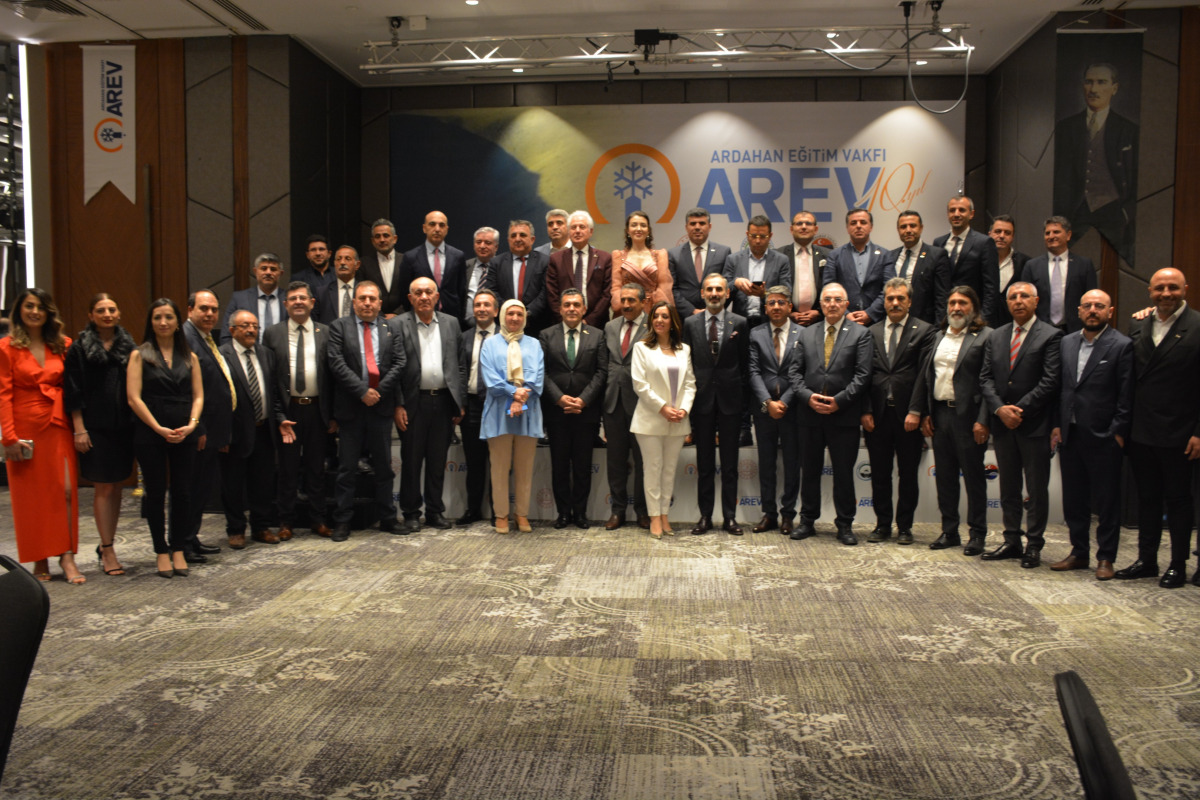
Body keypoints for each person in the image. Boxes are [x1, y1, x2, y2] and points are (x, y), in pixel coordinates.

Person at [1117, 268, 1200, 588]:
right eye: (1160, 288)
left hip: (1180, 431)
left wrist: (1198, 431)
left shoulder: (1197, 325)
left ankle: (1177, 564)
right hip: (1142, 430)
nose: (1166, 293)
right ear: (1150, 292)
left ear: (1185, 289)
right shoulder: (1138, 323)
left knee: (1178, 500)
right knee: (1147, 498)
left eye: (1173, 288)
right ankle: (1147, 560)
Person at [1048, 290, 1133, 581]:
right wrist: (1057, 424)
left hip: (1104, 436)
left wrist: (1117, 432)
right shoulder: (1067, 342)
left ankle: (1106, 557)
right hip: (1070, 434)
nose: (1093, 310)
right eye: (1088, 306)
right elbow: (1061, 388)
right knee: (1074, 499)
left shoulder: (1121, 345)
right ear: (1079, 311)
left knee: (1107, 501)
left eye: (1099, 306)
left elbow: (1126, 395)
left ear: (1110, 311)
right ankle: (1079, 552)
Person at [0, 288, 84, 583]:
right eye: (29, 306)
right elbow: (3, 394)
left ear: (49, 312)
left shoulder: (64, 344)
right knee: (32, 497)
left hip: (58, 423)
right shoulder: (6, 347)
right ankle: (40, 557)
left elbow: (74, 389)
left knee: (65, 491)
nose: (35, 312)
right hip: (25, 428)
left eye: (40, 307)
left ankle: (67, 556)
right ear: (19, 311)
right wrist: (9, 437)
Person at [979, 282, 1063, 569]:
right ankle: (1012, 540)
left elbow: (1050, 381)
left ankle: (1034, 544)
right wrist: (1000, 409)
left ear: (1036, 301)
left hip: (1034, 425)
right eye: (1012, 297)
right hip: (1003, 424)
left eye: (1024, 296)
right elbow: (985, 379)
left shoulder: (1051, 335)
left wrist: (1019, 410)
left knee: (1036, 489)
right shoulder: (996, 335)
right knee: (1009, 487)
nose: (1018, 301)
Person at [126, 298, 204, 579]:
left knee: (183, 492)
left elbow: (198, 396)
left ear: (177, 322)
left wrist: (192, 426)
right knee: (156, 492)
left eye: (169, 317)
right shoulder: (139, 355)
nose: (163, 322)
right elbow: (133, 398)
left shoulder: (190, 357)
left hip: (184, 432)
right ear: (151, 322)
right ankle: (161, 550)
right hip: (150, 432)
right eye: (157, 317)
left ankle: (178, 548)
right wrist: (157, 428)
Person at [789, 283, 873, 544]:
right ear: (821, 304)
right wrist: (807, 397)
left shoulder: (861, 334)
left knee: (844, 473)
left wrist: (840, 401)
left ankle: (845, 524)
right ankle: (807, 520)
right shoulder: (806, 333)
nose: (832, 304)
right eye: (827, 299)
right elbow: (794, 372)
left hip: (843, 415)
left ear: (847, 304)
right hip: (810, 414)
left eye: (838, 299)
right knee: (809, 471)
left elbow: (863, 375)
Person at [916, 286, 993, 556]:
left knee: (974, 478)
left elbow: (989, 382)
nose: (956, 308)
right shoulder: (938, 336)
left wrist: (983, 420)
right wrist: (926, 413)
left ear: (974, 308)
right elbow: (928, 378)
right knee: (945, 478)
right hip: (940, 415)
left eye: (963, 303)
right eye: (952, 303)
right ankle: (949, 531)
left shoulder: (986, 337)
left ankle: (977, 534)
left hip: (969, 418)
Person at [326, 281, 406, 541]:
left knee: (383, 468)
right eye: (363, 298)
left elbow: (399, 363)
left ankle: (387, 518)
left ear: (380, 304)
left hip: (380, 407)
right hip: (351, 408)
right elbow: (336, 363)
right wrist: (362, 391)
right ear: (354, 302)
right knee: (347, 469)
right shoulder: (339, 327)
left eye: (372, 299)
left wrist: (377, 392)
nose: (368, 303)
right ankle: (342, 521)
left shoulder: (391, 328)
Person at [64, 293, 137, 576]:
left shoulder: (129, 345)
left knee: (117, 486)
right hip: (94, 427)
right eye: (100, 310)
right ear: (91, 315)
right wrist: (79, 428)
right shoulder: (79, 347)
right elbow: (73, 390)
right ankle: (107, 549)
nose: (107, 314)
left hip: (124, 427)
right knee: (104, 487)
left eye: (111, 309)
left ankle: (107, 543)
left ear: (119, 313)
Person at [861, 277, 937, 545]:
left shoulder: (924, 331)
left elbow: (925, 375)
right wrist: (865, 410)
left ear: (910, 302)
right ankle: (882, 525)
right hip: (878, 415)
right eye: (890, 298)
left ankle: (905, 527)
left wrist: (916, 410)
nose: (895, 303)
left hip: (908, 416)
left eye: (900, 298)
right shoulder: (870, 332)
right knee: (879, 473)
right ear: (884, 302)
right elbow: (864, 375)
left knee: (907, 474)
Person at [392, 276, 466, 533]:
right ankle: (411, 513)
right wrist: (398, 405)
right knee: (411, 461)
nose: (424, 297)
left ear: (437, 297)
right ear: (410, 298)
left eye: (428, 292)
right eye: (418, 293)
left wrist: (459, 402)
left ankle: (435, 511)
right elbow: (393, 369)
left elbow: (459, 365)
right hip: (413, 403)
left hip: (444, 402)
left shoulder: (451, 323)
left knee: (437, 461)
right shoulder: (397, 324)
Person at [262, 281, 333, 539]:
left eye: (303, 298)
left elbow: (333, 378)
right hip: (288, 411)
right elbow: (270, 380)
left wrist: (332, 415)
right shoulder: (272, 334)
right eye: (293, 299)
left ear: (312, 303)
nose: (298, 302)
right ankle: (286, 522)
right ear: (285, 305)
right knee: (287, 469)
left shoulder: (326, 332)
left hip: (317, 410)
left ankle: (318, 520)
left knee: (317, 468)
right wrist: (279, 416)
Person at [682, 274, 749, 536]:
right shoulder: (690, 323)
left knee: (730, 464)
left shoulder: (740, 323)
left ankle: (730, 517)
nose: (714, 293)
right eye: (709, 289)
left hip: (731, 401)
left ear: (727, 293)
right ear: (702, 293)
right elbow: (686, 364)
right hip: (702, 402)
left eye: (719, 289)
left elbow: (744, 364)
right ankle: (705, 516)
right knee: (705, 463)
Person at [1053, 63, 1139, 263]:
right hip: (1075, 211)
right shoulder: (1066, 127)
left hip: (1113, 211)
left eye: (1101, 82)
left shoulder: (1128, 130)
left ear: (1114, 88)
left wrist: (1126, 213)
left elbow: (1136, 177)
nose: (1093, 89)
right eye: (1089, 82)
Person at [539, 289, 608, 529]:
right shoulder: (546, 335)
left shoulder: (597, 335)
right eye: (567, 304)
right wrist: (559, 398)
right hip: (556, 412)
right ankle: (562, 513)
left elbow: (602, 372)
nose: (571, 309)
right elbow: (541, 372)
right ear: (560, 309)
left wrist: (584, 400)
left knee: (582, 466)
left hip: (585, 412)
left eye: (576, 305)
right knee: (559, 466)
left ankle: (580, 513)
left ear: (584, 309)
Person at [630, 300, 696, 539]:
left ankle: (665, 514)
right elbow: (640, 385)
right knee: (653, 469)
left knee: (669, 471)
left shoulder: (684, 349)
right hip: (650, 420)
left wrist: (684, 410)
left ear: (673, 322)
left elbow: (690, 384)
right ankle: (654, 516)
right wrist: (662, 408)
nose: (659, 320)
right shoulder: (642, 348)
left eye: (664, 316)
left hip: (677, 420)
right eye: (656, 316)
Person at [479, 299, 544, 534]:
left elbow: (537, 377)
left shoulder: (534, 344)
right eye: (510, 313)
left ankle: (522, 514)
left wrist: (520, 398)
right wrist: (513, 393)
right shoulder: (490, 344)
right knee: (499, 468)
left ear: (524, 317)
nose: (515, 318)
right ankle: (501, 515)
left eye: (519, 314)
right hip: (498, 412)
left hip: (528, 411)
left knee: (525, 468)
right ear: (502, 316)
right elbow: (490, 379)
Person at [219, 310, 280, 546]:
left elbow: (273, 391)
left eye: (255, 326)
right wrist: (223, 433)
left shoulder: (266, 354)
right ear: (232, 330)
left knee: (263, 482)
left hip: (264, 429)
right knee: (233, 483)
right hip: (235, 432)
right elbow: (218, 398)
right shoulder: (222, 355)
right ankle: (235, 529)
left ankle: (261, 527)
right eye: (245, 326)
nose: (251, 330)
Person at [182, 289, 235, 557]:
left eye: (214, 309)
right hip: (198, 430)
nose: (210, 314)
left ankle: (191, 538)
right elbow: (187, 389)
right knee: (191, 488)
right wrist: (199, 427)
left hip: (211, 429)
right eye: (204, 308)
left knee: (202, 488)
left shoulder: (204, 337)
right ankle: (183, 543)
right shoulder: (186, 338)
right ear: (189, 310)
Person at [747, 287, 803, 535]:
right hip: (764, 410)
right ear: (765, 308)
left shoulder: (804, 334)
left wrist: (785, 402)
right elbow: (753, 371)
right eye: (771, 303)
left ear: (790, 306)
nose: (776, 307)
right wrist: (767, 402)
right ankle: (769, 514)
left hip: (794, 409)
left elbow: (802, 372)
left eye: (781, 302)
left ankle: (788, 515)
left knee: (792, 463)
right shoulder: (756, 334)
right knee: (766, 463)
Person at [603, 284, 651, 530]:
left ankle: (643, 511)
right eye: (623, 300)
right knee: (615, 462)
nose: (626, 305)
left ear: (643, 302)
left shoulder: (653, 326)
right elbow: (606, 364)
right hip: (613, 402)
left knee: (643, 462)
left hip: (642, 404)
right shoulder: (610, 327)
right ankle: (617, 511)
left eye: (632, 300)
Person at [457, 288, 501, 526]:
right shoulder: (463, 337)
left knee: (498, 461)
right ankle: (472, 509)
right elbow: (458, 372)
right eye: (477, 305)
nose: (482, 309)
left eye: (487, 305)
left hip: (498, 405)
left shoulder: (506, 337)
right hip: (472, 405)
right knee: (474, 462)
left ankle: (498, 511)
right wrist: (460, 403)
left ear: (496, 311)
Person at [1019, 216, 1097, 333]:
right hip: (1040, 331)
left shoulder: (1084, 265)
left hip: (1075, 330)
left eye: (1056, 232)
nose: (1051, 236)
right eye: (1047, 233)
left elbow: (1092, 299)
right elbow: (1025, 300)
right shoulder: (1032, 266)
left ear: (1068, 235)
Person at [822, 209, 895, 326]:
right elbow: (828, 288)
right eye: (853, 223)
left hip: (877, 322)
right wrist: (845, 313)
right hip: (843, 321)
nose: (858, 226)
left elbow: (889, 288)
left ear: (871, 227)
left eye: (863, 222)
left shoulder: (885, 255)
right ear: (847, 228)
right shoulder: (835, 256)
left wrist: (870, 313)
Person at [934, 196, 1000, 325]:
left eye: (962, 210)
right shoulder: (939, 243)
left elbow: (991, 287)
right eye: (952, 210)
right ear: (948, 214)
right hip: (945, 317)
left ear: (971, 214)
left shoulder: (984, 243)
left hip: (973, 317)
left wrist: (982, 319)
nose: (956, 214)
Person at [723, 214, 792, 329]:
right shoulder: (733, 259)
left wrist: (764, 295)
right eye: (753, 236)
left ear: (770, 236)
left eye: (763, 236)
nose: (758, 241)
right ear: (747, 235)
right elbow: (722, 292)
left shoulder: (781, 260)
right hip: (740, 322)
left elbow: (787, 293)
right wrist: (735, 283)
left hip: (770, 322)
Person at [547, 210, 613, 329]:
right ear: (568, 231)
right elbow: (552, 294)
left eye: (582, 227)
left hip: (596, 324)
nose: (577, 231)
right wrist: (566, 320)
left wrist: (589, 321)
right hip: (563, 324)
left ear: (590, 231)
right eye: (573, 227)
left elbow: (607, 294)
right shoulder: (556, 259)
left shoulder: (605, 258)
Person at [484, 220, 551, 334]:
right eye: (513, 235)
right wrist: (509, 311)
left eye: (523, 235)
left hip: (536, 325)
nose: (517, 239)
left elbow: (545, 292)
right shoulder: (496, 263)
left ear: (532, 239)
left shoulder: (545, 261)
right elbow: (492, 291)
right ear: (508, 240)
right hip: (504, 325)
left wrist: (528, 313)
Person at [402, 210, 468, 323]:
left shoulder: (458, 256)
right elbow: (404, 292)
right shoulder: (411, 257)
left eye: (441, 225)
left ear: (447, 229)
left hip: (451, 317)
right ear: (424, 228)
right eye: (432, 224)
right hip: (420, 317)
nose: (437, 229)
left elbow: (461, 290)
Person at [669, 207, 732, 317]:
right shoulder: (674, 254)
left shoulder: (723, 252)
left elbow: (728, 286)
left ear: (710, 226)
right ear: (686, 227)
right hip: (684, 318)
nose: (697, 227)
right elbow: (672, 289)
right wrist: (691, 311)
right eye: (693, 224)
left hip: (716, 315)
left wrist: (713, 310)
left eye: (702, 223)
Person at [891, 210, 950, 324]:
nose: (908, 230)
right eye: (903, 227)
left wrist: (939, 329)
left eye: (912, 226)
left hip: (924, 324)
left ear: (921, 228)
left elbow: (942, 298)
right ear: (898, 230)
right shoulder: (891, 256)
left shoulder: (937, 255)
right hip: (895, 321)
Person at [610, 210, 674, 314]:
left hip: (654, 309)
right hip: (627, 309)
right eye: (634, 225)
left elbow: (664, 286)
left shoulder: (660, 255)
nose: (639, 229)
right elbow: (616, 287)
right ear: (627, 230)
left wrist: (658, 309)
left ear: (648, 231)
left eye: (643, 225)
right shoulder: (618, 256)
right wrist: (623, 303)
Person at [777, 210, 830, 328]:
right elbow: (773, 288)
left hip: (820, 322)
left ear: (816, 229)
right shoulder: (779, 255)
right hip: (786, 321)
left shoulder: (828, 255)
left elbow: (832, 286)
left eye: (808, 223)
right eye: (799, 223)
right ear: (791, 229)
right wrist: (788, 312)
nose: (804, 227)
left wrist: (819, 312)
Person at [221, 253, 285, 344]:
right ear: (255, 271)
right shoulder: (239, 298)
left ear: (281, 273)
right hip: (249, 351)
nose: (268, 272)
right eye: (264, 268)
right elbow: (226, 335)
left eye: (273, 269)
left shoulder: (289, 299)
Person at [360, 218, 407, 316]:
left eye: (386, 235)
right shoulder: (364, 264)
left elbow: (411, 291)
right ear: (373, 241)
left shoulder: (406, 261)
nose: (382, 240)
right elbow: (362, 293)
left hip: (403, 317)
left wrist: (397, 313)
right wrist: (381, 316)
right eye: (377, 236)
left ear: (395, 239)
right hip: (374, 317)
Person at [315, 245, 361, 325]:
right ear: (334, 263)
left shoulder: (364, 291)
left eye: (347, 259)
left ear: (357, 265)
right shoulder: (322, 293)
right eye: (338, 259)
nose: (342, 262)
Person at [464, 227, 499, 327]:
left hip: (495, 326)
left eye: (488, 243)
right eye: (478, 242)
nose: (482, 246)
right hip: (467, 326)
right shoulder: (465, 267)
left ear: (496, 247)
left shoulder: (502, 268)